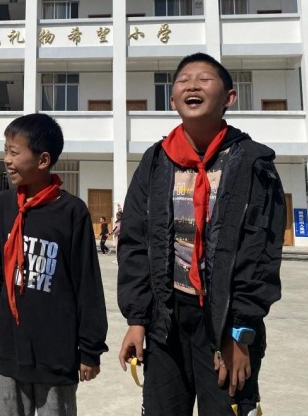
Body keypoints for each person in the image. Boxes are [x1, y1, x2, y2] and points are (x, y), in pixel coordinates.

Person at [117, 53, 286, 416]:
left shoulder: (253, 164)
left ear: (229, 97)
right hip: (167, 321)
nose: (192, 84)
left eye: (204, 79)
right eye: (183, 80)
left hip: (226, 323)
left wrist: (240, 332)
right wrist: (137, 319)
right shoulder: (155, 161)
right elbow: (135, 242)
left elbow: (261, 255)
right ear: (172, 100)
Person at [0, 112, 108, 416]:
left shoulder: (72, 211)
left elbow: (87, 285)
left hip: (55, 354)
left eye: (14, 152)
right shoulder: (3, 206)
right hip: (10, 350)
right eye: (5, 151)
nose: (7, 160)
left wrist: (90, 349)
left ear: (43, 160)